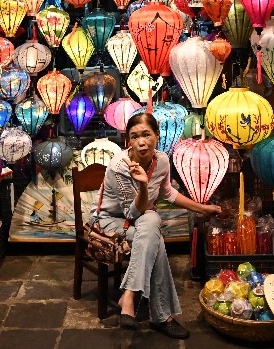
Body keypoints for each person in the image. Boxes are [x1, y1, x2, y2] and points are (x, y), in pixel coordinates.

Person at [92, 112, 223, 339]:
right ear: (128, 141)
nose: (141, 142)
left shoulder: (162, 160)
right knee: (155, 235)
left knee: (151, 224)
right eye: (134, 137)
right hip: (112, 221)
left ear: (157, 136)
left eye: (146, 135)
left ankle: (130, 296)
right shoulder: (119, 166)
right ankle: (161, 317)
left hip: (141, 220)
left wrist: (203, 208)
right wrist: (143, 185)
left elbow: (167, 192)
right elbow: (131, 212)